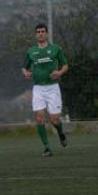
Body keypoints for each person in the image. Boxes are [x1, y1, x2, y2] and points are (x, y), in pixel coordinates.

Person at [22, 24, 69, 157]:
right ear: (35, 35)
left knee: (54, 120)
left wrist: (59, 73)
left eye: (43, 31)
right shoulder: (31, 51)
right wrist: (26, 73)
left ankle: (60, 132)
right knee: (39, 118)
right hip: (38, 88)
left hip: (53, 87)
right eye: (38, 32)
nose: (41, 34)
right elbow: (24, 67)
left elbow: (65, 65)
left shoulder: (56, 49)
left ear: (47, 34)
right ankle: (47, 148)